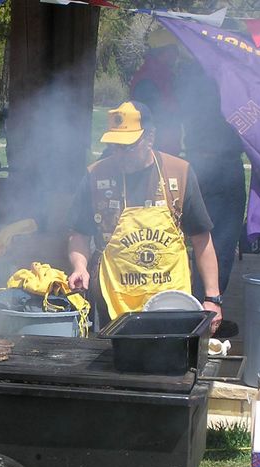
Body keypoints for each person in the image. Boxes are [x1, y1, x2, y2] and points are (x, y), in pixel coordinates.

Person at [67, 101, 222, 333]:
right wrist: (80, 266)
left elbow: (201, 239)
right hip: (115, 301)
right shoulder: (95, 176)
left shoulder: (179, 173)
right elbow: (79, 232)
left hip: (172, 302)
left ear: (149, 138)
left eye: (127, 147)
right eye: (114, 146)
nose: (119, 155)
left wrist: (213, 297)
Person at [177, 59, 246, 316]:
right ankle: (206, 309)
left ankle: (201, 308)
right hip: (222, 166)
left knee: (197, 238)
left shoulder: (189, 71)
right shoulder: (236, 79)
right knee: (221, 242)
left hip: (199, 161)